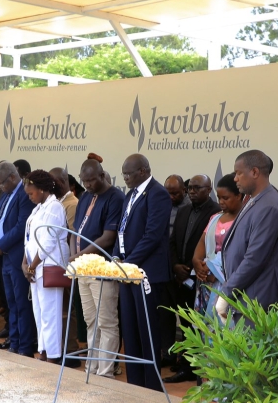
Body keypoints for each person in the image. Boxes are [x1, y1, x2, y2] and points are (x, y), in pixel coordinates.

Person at [116, 153, 172, 390]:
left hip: (145, 273)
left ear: (144, 171)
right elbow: (123, 230)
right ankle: (135, 384)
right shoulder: (130, 194)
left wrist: (129, 262)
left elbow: (152, 235)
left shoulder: (158, 194)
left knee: (147, 331)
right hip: (127, 270)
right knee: (130, 329)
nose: (126, 178)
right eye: (124, 174)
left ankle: (151, 386)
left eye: (129, 173)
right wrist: (117, 257)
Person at [69, 158, 125, 378]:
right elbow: (75, 230)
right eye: (85, 181)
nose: (89, 184)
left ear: (102, 175)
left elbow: (108, 237)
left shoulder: (115, 198)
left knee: (107, 322)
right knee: (91, 321)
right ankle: (92, 366)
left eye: (92, 180)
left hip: (102, 270)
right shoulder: (84, 196)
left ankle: (106, 372)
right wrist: (76, 257)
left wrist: (77, 256)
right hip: (83, 268)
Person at [164, 173, 220, 383]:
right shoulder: (184, 210)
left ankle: (195, 367)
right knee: (186, 323)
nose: (193, 191)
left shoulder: (216, 212)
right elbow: (173, 241)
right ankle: (186, 365)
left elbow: (212, 246)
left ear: (209, 189)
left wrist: (192, 266)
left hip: (202, 276)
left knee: (198, 324)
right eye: (191, 188)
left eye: (198, 188)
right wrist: (176, 265)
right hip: (180, 275)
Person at [219, 150, 278, 311]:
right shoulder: (254, 199)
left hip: (258, 298)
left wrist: (227, 292)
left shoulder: (269, 206)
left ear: (255, 172)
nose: (235, 178)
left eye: (239, 173)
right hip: (246, 294)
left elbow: (255, 258)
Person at [22, 170, 70, 363]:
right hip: (35, 268)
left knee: (51, 314)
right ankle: (43, 350)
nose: (30, 197)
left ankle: (53, 355)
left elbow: (48, 243)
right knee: (39, 313)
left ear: (41, 190)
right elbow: (29, 240)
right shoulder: (38, 208)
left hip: (48, 267)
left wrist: (31, 266)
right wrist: (24, 263)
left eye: (31, 193)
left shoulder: (54, 207)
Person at [0, 161, 36, 356]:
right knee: (11, 303)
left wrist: (1, 245)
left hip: (17, 257)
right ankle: (14, 343)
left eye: (1, 183)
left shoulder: (23, 194)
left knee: (21, 304)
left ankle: (25, 347)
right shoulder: (5, 195)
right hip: (4, 258)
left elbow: (21, 226)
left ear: (12, 177)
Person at [191, 173, 244, 321]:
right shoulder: (215, 218)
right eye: (219, 197)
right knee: (207, 326)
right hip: (207, 281)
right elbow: (203, 241)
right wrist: (196, 261)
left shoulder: (245, 220)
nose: (221, 202)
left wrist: (217, 273)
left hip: (229, 284)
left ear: (239, 195)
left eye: (225, 198)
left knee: (225, 325)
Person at [158, 174, 190, 365]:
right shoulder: (162, 205)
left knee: (186, 318)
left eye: (175, 193)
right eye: (168, 193)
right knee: (165, 315)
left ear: (184, 191)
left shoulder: (189, 208)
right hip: (165, 268)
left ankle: (184, 360)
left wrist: (179, 266)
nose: (171, 197)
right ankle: (168, 354)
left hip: (184, 270)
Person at [51, 167, 82, 362]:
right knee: (59, 309)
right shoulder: (56, 203)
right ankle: (60, 348)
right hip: (56, 262)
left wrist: (69, 263)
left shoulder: (72, 204)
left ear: (61, 182)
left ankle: (70, 352)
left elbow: (71, 235)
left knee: (66, 310)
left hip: (65, 263)